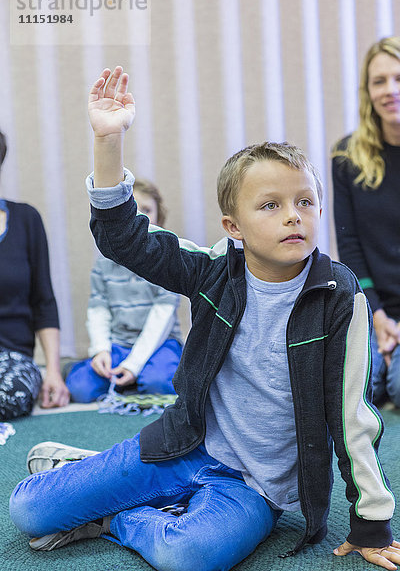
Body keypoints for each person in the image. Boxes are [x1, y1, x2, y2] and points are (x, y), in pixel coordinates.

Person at [9, 67, 400, 571]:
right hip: (183, 446)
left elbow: (354, 418)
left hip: (253, 488)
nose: (293, 215)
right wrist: (108, 141)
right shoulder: (212, 269)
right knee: (28, 508)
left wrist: (372, 522)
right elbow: (124, 239)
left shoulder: (338, 295)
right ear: (233, 227)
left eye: (305, 202)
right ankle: (102, 480)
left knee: (188, 554)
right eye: (271, 205)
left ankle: (115, 519)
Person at [65, 178, 182, 402]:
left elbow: (162, 318)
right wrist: (101, 350)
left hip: (160, 344)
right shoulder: (104, 265)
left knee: (159, 383)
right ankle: (100, 372)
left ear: (160, 218)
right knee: (79, 388)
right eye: (134, 210)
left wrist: (134, 364)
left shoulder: (167, 259)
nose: (140, 217)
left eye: (147, 209)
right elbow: (99, 312)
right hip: (118, 345)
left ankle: (134, 377)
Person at [332, 36, 400, 408]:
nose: (390, 90)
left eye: (398, 78)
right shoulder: (347, 157)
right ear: (368, 91)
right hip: (373, 307)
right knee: (359, 390)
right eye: (379, 81)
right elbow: (350, 246)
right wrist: (375, 315)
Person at [0, 131, 69, 420]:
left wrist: (52, 371)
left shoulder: (27, 219)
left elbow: (44, 301)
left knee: (11, 395)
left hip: (13, 358)